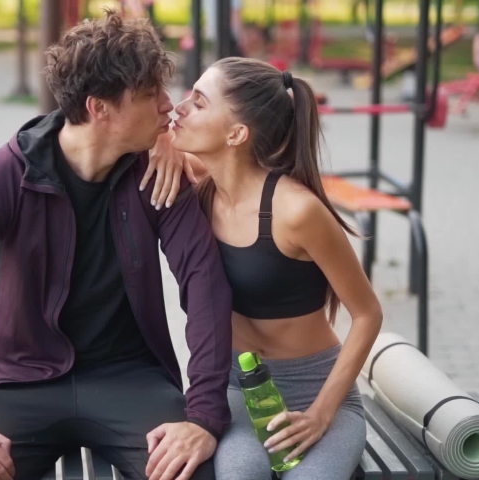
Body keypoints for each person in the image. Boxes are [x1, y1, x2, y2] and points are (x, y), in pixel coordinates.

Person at [0, 11, 234, 480]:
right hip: (21, 381)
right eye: (149, 94)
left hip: (130, 379)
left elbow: (206, 286)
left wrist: (202, 416)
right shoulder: (10, 175)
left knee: (192, 473)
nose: (167, 105)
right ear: (100, 109)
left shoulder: (157, 172)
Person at [143, 58, 383, 479]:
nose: (179, 109)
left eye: (198, 103)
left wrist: (322, 415)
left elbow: (367, 314)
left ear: (236, 134)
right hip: (238, 388)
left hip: (317, 391)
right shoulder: (199, 189)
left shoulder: (297, 211)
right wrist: (162, 140)